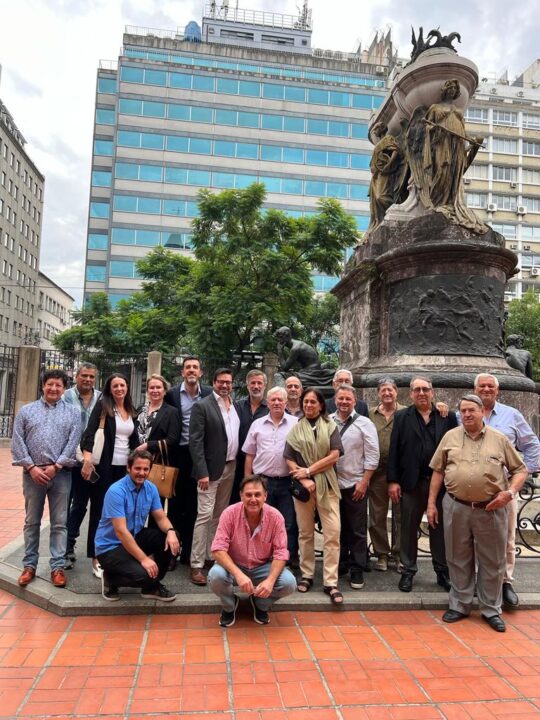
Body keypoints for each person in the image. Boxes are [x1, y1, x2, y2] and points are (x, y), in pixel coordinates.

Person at [427, 394, 528, 633]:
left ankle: (491, 608)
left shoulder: (499, 439)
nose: (467, 414)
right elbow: (438, 472)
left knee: (492, 560)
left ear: (482, 411)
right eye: (463, 410)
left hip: (491, 509)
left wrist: (509, 493)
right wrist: (431, 503)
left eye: (471, 410)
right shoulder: (450, 436)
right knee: (457, 556)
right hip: (455, 505)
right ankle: (460, 604)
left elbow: (520, 470)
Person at [471, 373, 540, 609]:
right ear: (475, 389)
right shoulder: (463, 414)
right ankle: (478, 581)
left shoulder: (512, 415)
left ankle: (504, 582)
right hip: (471, 492)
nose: (486, 389)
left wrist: (520, 476)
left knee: (506, 539)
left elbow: (532, 444)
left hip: (504, 490)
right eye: (482, 386)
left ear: (497, 390)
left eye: (491, 386)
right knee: (472, 539)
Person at [388, 376, 457, 593]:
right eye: (416, 389)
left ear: (432, 392)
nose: (421, 393)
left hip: (440, 484)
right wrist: (393, 480)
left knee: (439, 529)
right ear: (410, 394)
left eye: (425, 389)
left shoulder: (447, 416)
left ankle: (442, 571)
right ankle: (408, 570)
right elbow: (394, 451)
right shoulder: (402, 417)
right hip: (411, 483)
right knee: (408, 528)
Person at [12, 369, 80, 588]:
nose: (54, 389)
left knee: (59, 523)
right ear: (43, 385)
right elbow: (17, 441)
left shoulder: (72, 412)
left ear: (64, 388)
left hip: (61, 475)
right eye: (50, 384)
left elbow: (73, 441)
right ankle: (29, 565)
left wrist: (57, 465)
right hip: (33, 475)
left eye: (58, 385)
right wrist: (31, 467)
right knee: (32, 521)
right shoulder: (26, 411)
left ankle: (57, 567)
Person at [208, 475, 297, 627]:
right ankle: (230, 606)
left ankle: (259, 604)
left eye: (258, 494)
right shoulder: (229, 513)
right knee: (215, 576)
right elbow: (217, 549)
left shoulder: (276, 517)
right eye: (248, 495)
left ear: (265, 496)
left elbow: (281, 553)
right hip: (234, 565)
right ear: (241, 495)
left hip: (262, 566)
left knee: (289, 583)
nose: (253, 499)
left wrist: (269, 581)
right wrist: (238, 574)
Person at [284, 388, 344, 604]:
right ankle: (307, 575)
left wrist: (309, 471)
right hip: (304, 488)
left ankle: (330, 581)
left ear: (321, 405)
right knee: (305, 533)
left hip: (327, 486)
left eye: (313, 402)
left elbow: (335, 455)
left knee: (332, 533)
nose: (309, 405)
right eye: (306, 402)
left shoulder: (331, 427)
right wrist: (303, 478)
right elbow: (289, 457)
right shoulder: (295, 429)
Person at [95, 450, 180, 602]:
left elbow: (160, 517)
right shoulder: (116, 491)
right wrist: (144, 559)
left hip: (134, 538)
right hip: (110, 547)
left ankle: (150, 587)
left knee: (170, 537)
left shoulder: (151, 488)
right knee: (145, 574)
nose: (142, 473)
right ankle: (110, 577)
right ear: (128, 468)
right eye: (137, 468)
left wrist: (171, 531)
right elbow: (121, 532)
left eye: (145, 469)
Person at [81, 372, 138, 579]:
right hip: (105, 468)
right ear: (109, 389)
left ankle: (119, 552)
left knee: (123, 513)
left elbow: (134, 440)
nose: (119, 389)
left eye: (122, 385)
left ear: (127, 387)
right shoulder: (103, 406)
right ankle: (96, 556)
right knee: (99, 512)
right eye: (115, 386)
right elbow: (89, 433)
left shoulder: (130, 409)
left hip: (124, 470)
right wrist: (87, 459)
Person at [189, 368, 240, 586]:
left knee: (219, 516)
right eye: (221, 382)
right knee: (204, 515)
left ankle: (212, 556)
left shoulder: (234, 405)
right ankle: (196, 564)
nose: (225, 386)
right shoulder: (202, 406)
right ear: (213, 382)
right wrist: (202, 472)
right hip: (209, 471)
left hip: (230, 467)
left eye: (228, 382)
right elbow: (195, 442)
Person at [243, 386, 299, 566]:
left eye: (280, 400)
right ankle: (263, 560)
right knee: (262, 523)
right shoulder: (257, 424)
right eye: (273, 400)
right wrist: (247, 481)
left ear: (285, 402)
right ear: (267, 403)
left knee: (288, 524)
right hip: (262, 483)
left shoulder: (295, 423)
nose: (276, 403)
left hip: (287, 482)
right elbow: (250, 454)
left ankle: (288, 561)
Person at [331, 385, 379, 590]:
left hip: (355, 483)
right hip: (332, 484)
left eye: (347, 399)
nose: (343, 402)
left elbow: (372, 455)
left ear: (354, 401)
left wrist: (364, 481)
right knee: (336, 527)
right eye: (340, 399)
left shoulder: (364, 423)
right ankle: (340, 562)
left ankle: (357, 566)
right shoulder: (328, 421)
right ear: (335, 400)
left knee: (357, 529)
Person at [164, 356, 212, 565]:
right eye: (188, 367)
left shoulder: (209, 394)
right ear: (182, 372)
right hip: (178, 455)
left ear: (201, 372)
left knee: (195, 505)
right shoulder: (172, 394)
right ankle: (172, 551)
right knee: (175, 504)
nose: (191, 370)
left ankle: (189, 552)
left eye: (195, 367)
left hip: (199, 457)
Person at [63, 362, 100, 568]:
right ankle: (66, 548)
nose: (87, 379)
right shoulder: (65, 396)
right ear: (77, 376)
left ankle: (88, 549)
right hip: (69, 461)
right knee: (68, 505)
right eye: (84, 375)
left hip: (92, 461)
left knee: (82, 504)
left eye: (91, 377)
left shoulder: (102, 398)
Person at [135, 374, 181, 535]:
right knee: (135, 506)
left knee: (155, 507)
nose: (155, 390)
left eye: (158, 387)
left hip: (156, 465)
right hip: (137, 465)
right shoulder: (140, 409)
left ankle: (153, 547)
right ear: (147, 390)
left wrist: (149, 445)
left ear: (164, 390)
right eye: (152, 387)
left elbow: (173, 439)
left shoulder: (171, 412)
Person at [368, 378, 406, 571]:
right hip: (377, 473)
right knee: (377, 515)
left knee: (401, 515)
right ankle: (381, 553)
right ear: (378, 393)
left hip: (401, 474)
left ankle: (399, 554)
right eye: (383, 390)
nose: (387, 393)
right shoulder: (370, 415)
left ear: (396, 392)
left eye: (390, 390)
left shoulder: (407, 412)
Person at [230, 369, 269, 504]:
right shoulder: (236, 406)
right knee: (236, 499)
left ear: (265, 385)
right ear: (247, 385)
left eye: (259, 383)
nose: (256, 386)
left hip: (261, 462)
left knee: (257, 499)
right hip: (237, 461)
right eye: (253, 383)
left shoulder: (270, 409)